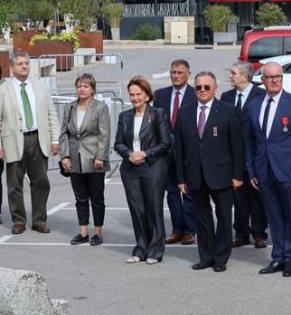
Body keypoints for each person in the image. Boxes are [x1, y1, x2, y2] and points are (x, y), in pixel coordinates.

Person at [247, 62, 291, 278]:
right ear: (263, 80)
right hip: (264, 170)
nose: (275, 80)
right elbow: (250, 141)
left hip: (289, 170)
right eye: (270, 77)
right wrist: (251, 170)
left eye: (278, 76)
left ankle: (290, 260)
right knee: (274, 217)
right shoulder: (255, 105)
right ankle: (277, 256)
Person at [174, 71, 244, 273]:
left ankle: (221, 258)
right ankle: (206, 256)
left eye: (206, 87)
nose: (202, 91)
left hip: (222, 174)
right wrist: (180, 178)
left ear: (215, 88)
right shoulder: (185, 112)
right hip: (195, 176)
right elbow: (179, 148)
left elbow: (237, 147)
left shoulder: (228, 111)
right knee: (202, 218)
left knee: (223, 218)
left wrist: (238, 175)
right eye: (198, 87)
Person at [0, 52, 59, 235]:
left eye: (26, 63)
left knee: (41, 181)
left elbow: (51, 114)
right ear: (12, 67)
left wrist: (55, 139)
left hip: (38, 139)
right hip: (13, 141)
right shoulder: (3, 89)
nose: (24, 66)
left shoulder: (41, 87)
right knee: (14, 184)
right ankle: (18, 220)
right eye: (20, 64)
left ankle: (39, 220)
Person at [114, 76, 171, 264]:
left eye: (139, 94)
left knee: (153, 208)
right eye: (132, 94)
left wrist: (144, 154)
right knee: (137, 209)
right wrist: (130, 154)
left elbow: (165, 143)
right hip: (130, 169)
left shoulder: (158, 114)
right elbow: (118, 143)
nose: (135, 98)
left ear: (147, 95)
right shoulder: (125, 116)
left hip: (153, 167)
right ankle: (140, 248)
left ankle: (155, 250)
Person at [220, 61, 268, 249]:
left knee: (256, 196)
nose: (230, 76)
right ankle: (241, 233)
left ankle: (258, 233)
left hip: (255, 156)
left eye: (233, 73)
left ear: (245, 76)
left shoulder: (261, 95)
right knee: (238, 197)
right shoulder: (226, 96)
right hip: (232, 157)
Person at [59, 73, 111, 246]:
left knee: (96, 197)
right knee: (80, 197)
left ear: (92, 89)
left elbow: (104, 134)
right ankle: (83, 232)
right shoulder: (70, 107)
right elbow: (64, 133)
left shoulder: (100, 108)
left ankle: (97, 232)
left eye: (85, 86)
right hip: (74, 159)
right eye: (79, 86)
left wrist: (101, 157)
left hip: (95, 159)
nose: (82, 89)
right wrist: (65, 155)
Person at [154, 59, 197, 246]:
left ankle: (190, 230)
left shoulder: (197, 94)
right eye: (173, 72)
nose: (176, 76)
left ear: (188, 74)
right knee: (171, 192)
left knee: (188, 191)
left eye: (180, 72)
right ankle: (177, 229)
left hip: (188, 152)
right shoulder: (161, 95)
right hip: (166, 153)